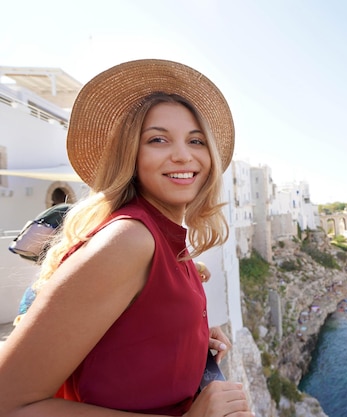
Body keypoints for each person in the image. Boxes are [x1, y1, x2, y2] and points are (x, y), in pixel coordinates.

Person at [0, 59, 254, 417]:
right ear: (131, 155)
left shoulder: (158, 242)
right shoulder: (130, 241)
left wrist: (185, 333)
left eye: (196, 140)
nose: (183, 154)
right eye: (157, 139)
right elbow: (9, 404)